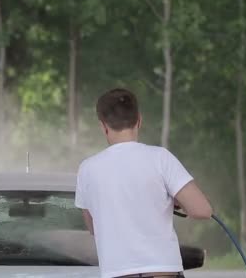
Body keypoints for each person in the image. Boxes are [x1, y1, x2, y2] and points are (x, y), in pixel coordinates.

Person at [75, 88, 212, 278]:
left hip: (118, 273)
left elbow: (93, 227)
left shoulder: (87, 169)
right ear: (139, 120)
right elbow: (202, 210)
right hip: (163, 272)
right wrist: (175, 200)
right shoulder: (161, 158)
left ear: (103, 126)